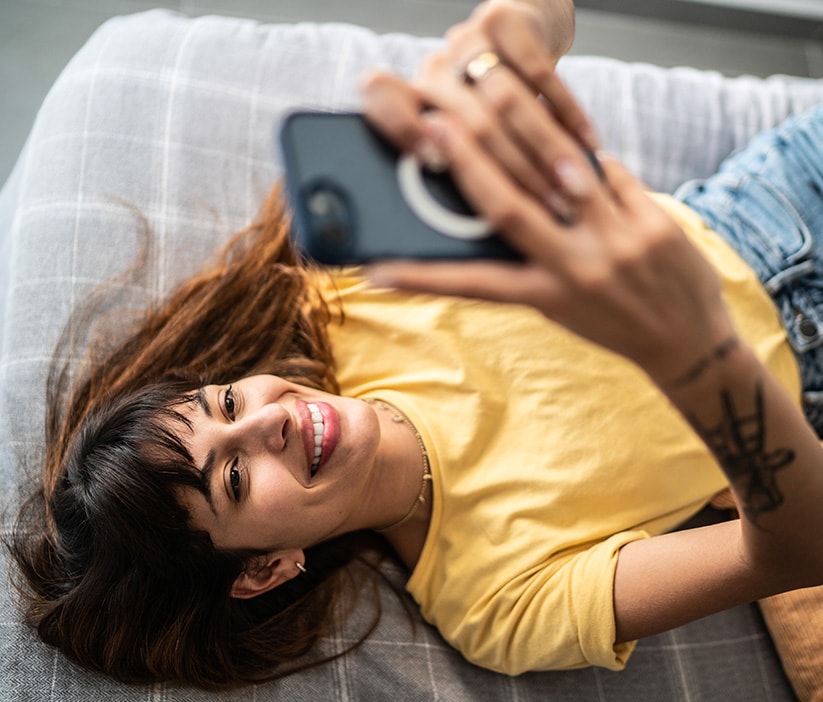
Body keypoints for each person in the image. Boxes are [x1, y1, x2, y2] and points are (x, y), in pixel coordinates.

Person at [9, 0, 823, 690]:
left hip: (772, 203)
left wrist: (516, 38)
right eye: (233, 477)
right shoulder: (496, 604)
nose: (266, 420)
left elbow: (544, 26)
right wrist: (696, 355)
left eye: (225, 403)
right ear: (264, 569)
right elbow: (795, 548)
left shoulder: (351, 291)